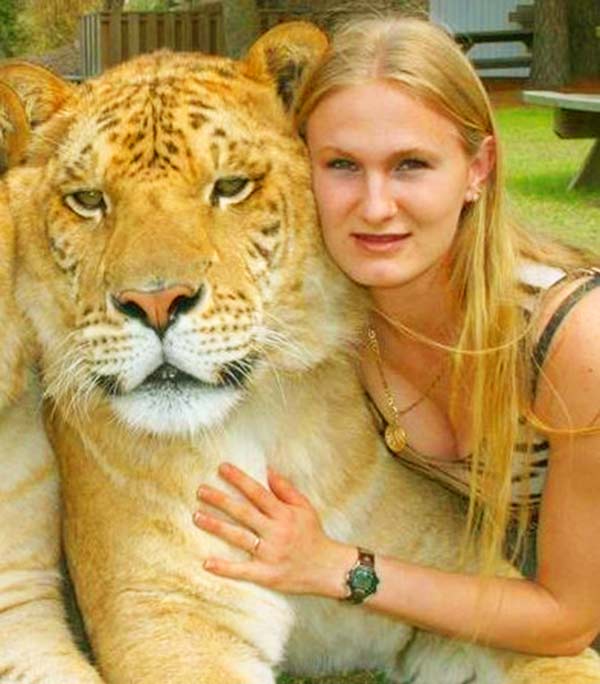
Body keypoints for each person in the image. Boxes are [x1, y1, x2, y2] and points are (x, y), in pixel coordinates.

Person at [192, 13, 600, 656]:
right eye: (343, 165)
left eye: (410, 164)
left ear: (477, 169)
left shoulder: (573, 337)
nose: (376, 206)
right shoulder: (332, 323)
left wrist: (339, 567)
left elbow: (570, 621)